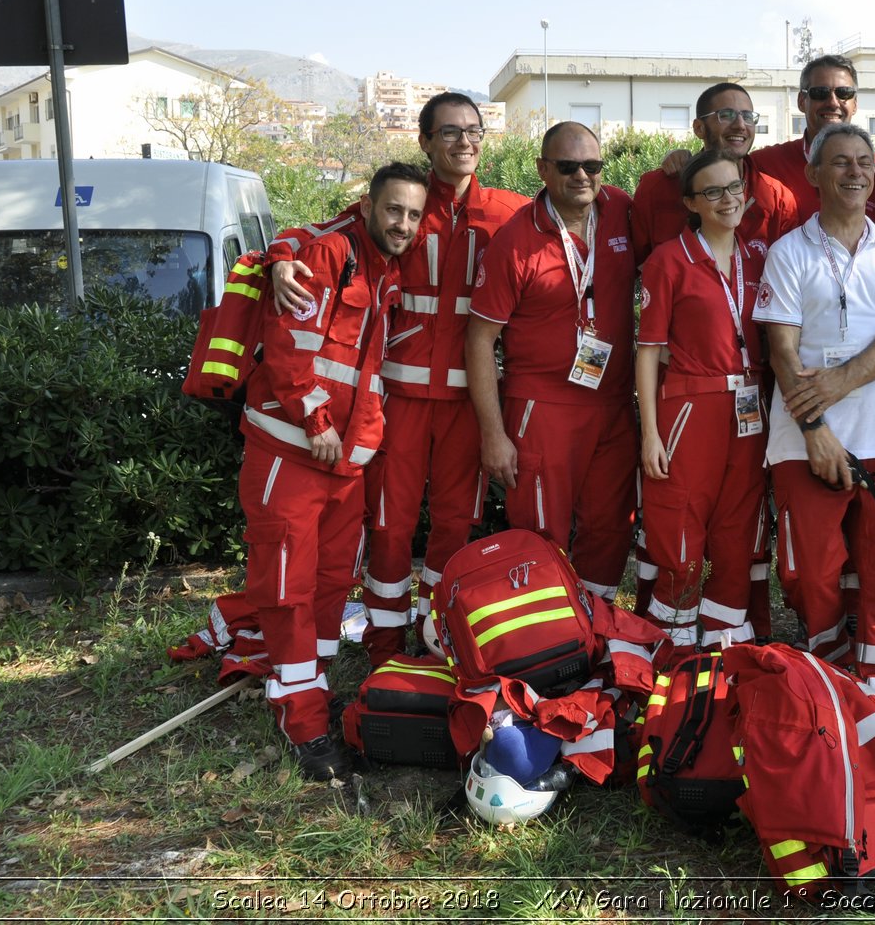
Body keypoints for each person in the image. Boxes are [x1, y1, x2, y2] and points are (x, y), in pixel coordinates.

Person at [269, 95, 527, 668]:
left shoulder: (509, 211)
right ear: (426, 141)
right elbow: (319, 230)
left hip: (470, 403)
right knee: (390, 526)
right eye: (451, 132)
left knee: (456, 526)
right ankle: (385, 645)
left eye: (474, 130)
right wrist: (281, 258)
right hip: (398, 399)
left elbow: (580, 216)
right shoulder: (401, 203)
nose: (465, 141)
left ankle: (440, 639)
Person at [238, 162, 425, 779]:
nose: (403, 223)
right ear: (369, 206)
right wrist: (317, 423)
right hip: (292, 451)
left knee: (326, 583)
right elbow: (290, 343)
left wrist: (354, 446)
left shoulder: (383, 268)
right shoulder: (330, 253)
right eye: (394, 209)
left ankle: (307, 686)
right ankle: (303, 720)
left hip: (342, 465)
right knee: (288, 587)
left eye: (414, 215)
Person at [752, 123, 875, 713]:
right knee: (813, 570)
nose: (855, 172)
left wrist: (838, 383)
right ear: (813, 174)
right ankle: (826, 681)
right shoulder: (787, 251)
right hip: (804, 439)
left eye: (864, 163)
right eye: (840, 163)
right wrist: (815, 429)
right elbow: (782, 349)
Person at [465, 122, 639, 600]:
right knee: (542, 536)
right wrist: (493, 434)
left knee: (610, 527)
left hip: (614, 403)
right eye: (567, 166)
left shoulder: (622, 210)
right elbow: (480, 340)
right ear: (543, 170)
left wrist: (677, 166)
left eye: (592, 165)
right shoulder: (516, 240)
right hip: (543, 408)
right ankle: (547, 639)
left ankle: (596, 627)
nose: (582, 175)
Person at [636, 148, 768, 647]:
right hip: (691, 409)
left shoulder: (759, 255)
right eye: (711, 191)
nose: (726, 199)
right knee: (680, 526)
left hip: (750, 409)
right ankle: (671, 649)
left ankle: (723, 647)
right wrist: (650, 433)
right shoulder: (669, 260)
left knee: (738, 528)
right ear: (691, 202)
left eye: (733, 187)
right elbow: (647, 350)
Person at [630, 83, 799, 263]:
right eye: (726, 115)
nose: (740, 125)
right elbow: (635, 264)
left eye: (748, 116)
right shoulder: (657, 189)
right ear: (699, 128)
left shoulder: (778, 200)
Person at [748, 54, 875, 218]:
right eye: (820, 92)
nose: (833, 102)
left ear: (855, 104)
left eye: (844, 93)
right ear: (802, 101)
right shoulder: (764, 165)